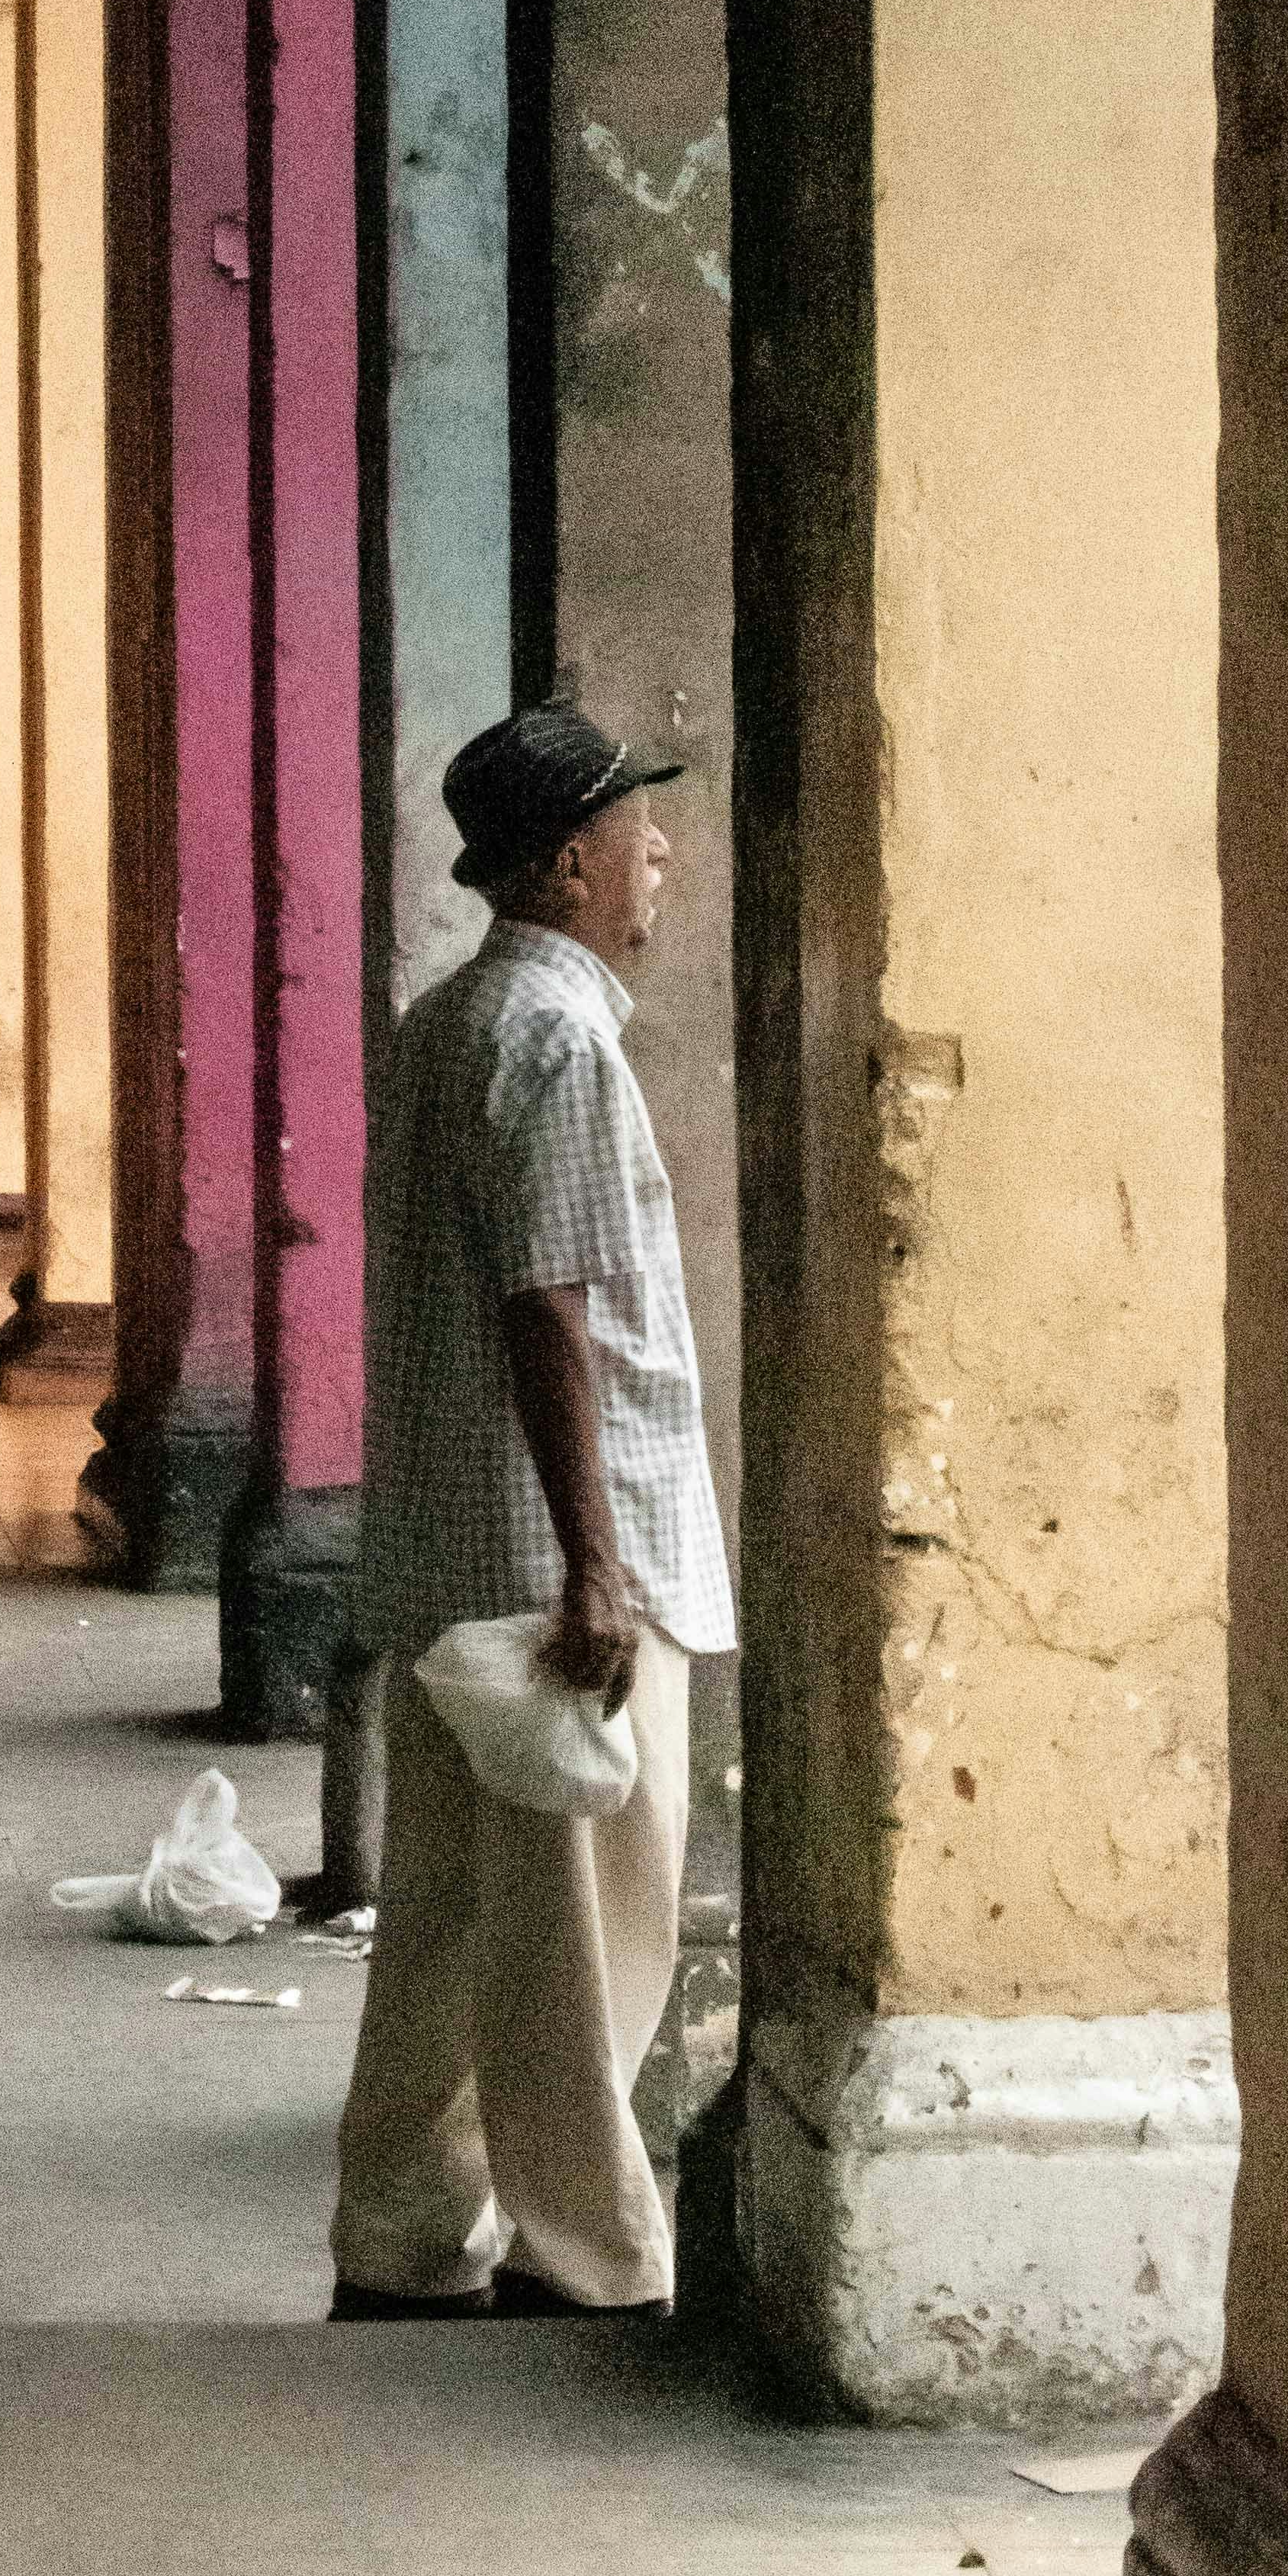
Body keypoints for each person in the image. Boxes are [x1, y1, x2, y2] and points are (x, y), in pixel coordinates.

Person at [329, 702, 734, 2327]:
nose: (663, 856)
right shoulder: (558, 1040)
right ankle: (585, 2255)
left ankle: (405, 2232)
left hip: (443, 1552)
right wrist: (596, 1560)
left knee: (439, 1921)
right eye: (639, 831)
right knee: (585, 1931)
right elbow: (547, 1309)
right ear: (569, 861)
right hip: (546, 1560)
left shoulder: (445, 1020)